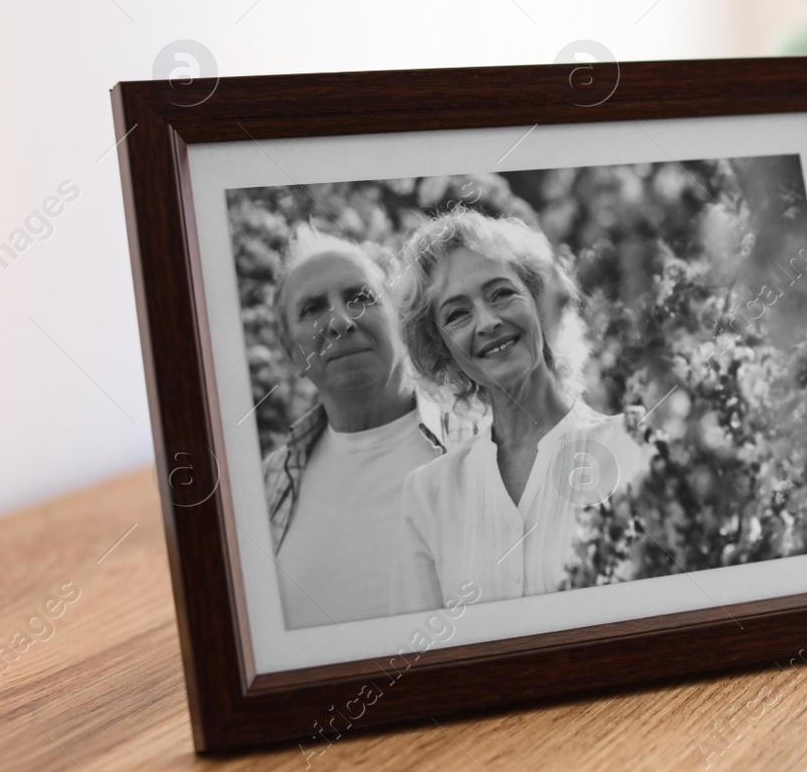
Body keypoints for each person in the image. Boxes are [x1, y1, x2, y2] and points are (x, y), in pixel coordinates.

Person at [390, 210, 645, 613]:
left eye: (501, 293)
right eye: (457, 314)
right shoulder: (429, 495)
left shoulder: (634, 448)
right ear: (441, 350)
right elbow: (419, 662)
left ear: (542, 304)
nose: (488, 321)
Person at [261, 226, 464, 629]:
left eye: (360, 298)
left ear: (401, 318)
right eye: (312, 309)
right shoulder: (268, 485)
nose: (339, 321)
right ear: (291, 353)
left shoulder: (483, 441)